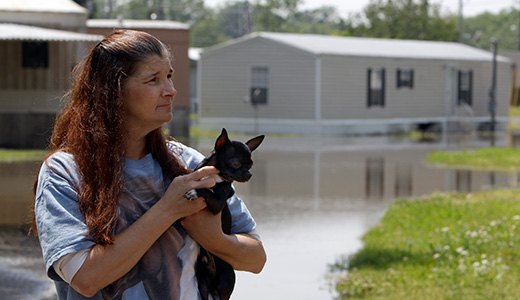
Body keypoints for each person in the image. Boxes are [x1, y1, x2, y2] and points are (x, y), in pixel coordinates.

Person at [31, 29, 266, 300]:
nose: (171, 90)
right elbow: (85, 278)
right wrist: (167, 210)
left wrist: (214, 239)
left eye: (169, 76)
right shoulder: (65, 172)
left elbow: (256, 259)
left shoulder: (190, 164)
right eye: (153, 80)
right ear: (113, 91)